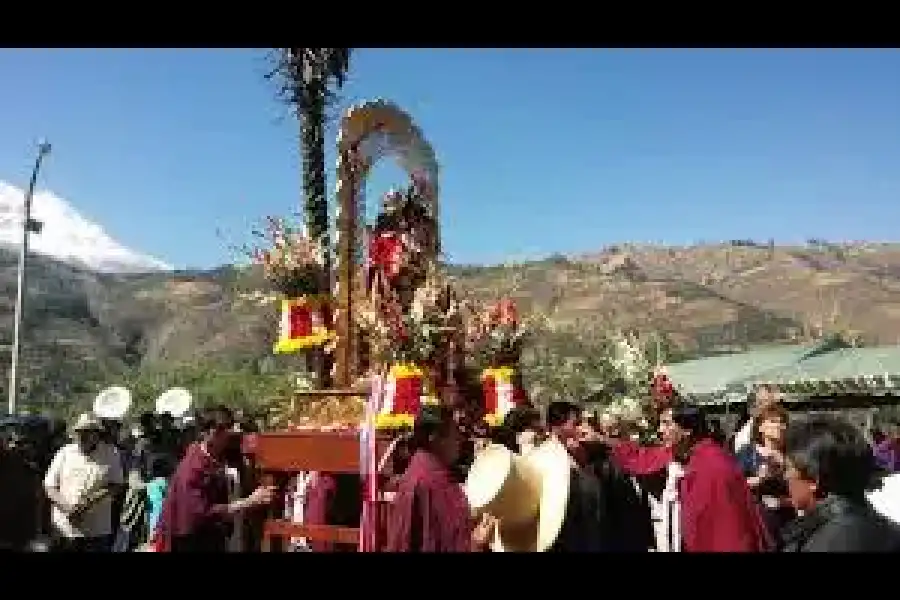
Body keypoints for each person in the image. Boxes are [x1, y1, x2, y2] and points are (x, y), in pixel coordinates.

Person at [151, 406, 275, 552]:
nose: (230, 432)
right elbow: (202, 513)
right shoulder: (192, 469)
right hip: (191, 541)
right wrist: (250, 501)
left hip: (217, 535)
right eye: (223, 428)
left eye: (230, 426)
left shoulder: (219, 453)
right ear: (207, 433)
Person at [384, 405, 496, 552]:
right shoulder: (428, 481)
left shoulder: (424, 470)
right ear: (434, 437)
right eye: (454, 433)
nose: (460, 440)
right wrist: (475, 544)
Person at [780, 416, 900, 552]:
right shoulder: (886, 528)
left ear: (814, 481)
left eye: (788, 468)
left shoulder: (824, 542)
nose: (785, 477)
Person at [662, 405, 771, 552]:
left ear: (687, 430)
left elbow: (730, 530)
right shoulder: (695, 459)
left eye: (667, 424)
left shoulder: (713, 465)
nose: (661, 430)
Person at [43, 413, 125, 552]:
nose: (82, 435)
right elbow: (49, 486)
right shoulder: (65, 452)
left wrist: (91, 501)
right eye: (80, 432)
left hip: (97, 529)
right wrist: (68, 509)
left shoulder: (111, 453)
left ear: (97, 434)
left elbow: (117, 485)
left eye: (87, 432)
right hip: (64, 527)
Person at [736, 404, 795, 544]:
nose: (779, 426)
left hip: (789, 522)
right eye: (773, 422)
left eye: (782, 423)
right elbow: (733, 485)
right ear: (761, 427)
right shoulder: (748, 454)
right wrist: (760, 478)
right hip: (757, 522)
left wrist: (782, 502)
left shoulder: (792, 454)